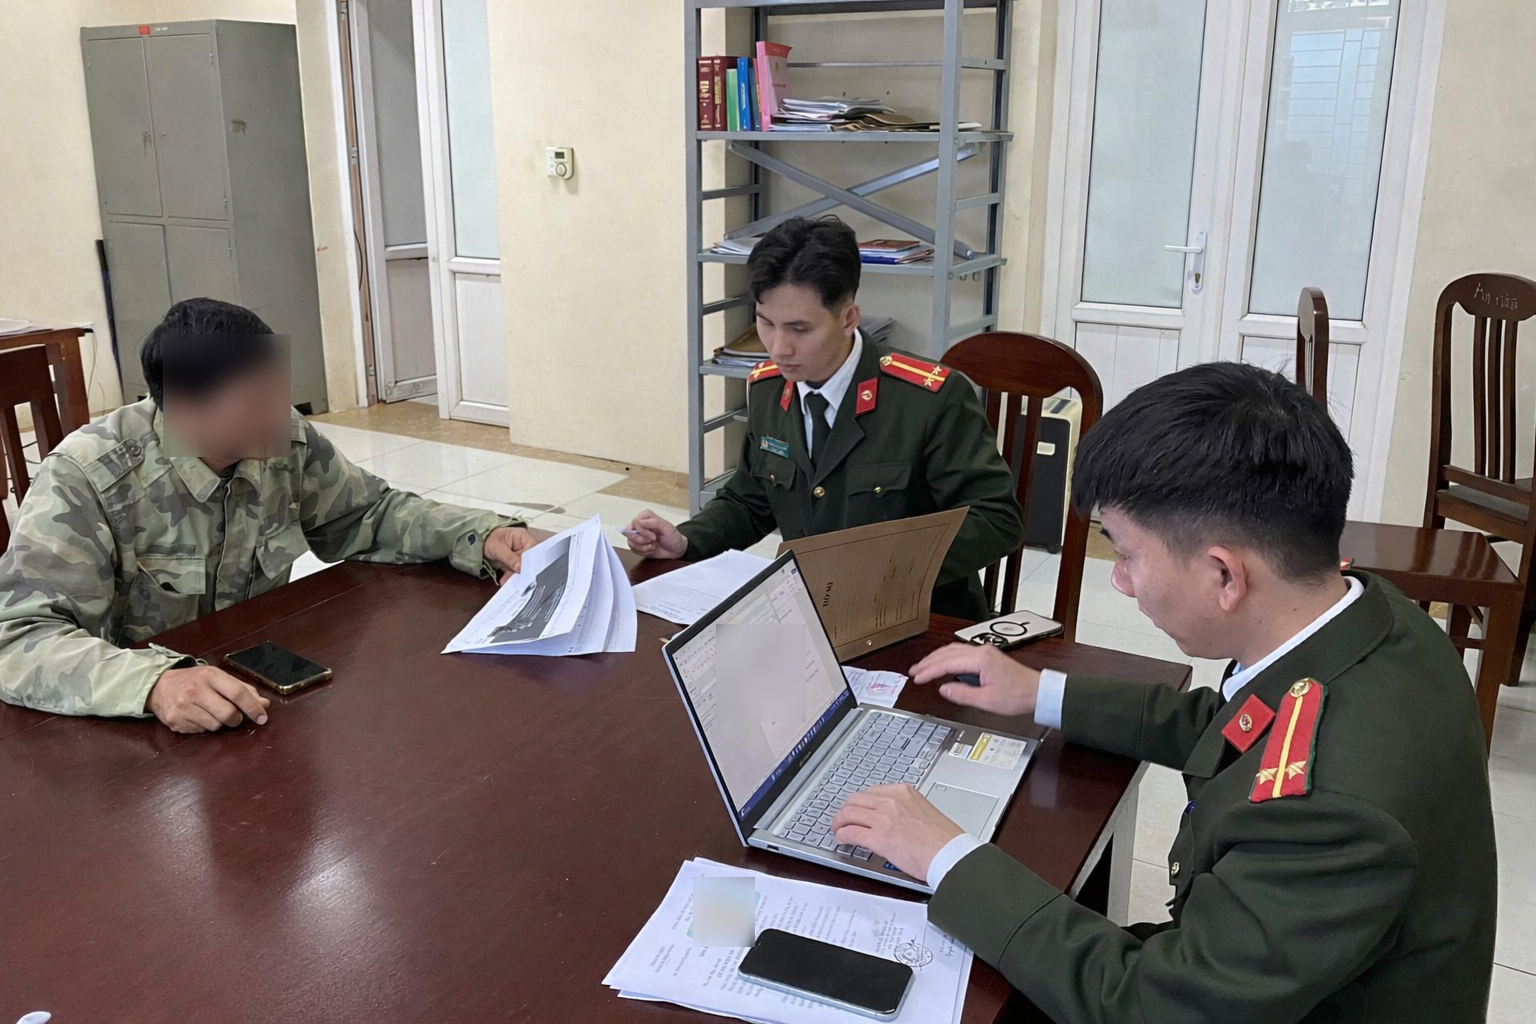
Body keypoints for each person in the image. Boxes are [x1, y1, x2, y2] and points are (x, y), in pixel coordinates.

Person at [830, 362, 1497, 1022]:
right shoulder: (1370, 618)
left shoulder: (1327, 814)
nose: (1119, 582)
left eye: (1125, 555)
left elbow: (1155, 1006)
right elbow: (1237, 726)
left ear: (1224, 576)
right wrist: (1040, 693)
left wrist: (947, 856)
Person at [0, 298, 537, 734]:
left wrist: (479, 534)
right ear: (185, 408)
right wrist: (152, 684)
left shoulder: (282, 439)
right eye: (257, 401)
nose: (283, 413)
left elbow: (369, 513)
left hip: (252, 703)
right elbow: (19, 639)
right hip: (126, 733)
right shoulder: (88, 479)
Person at [624, 217, 1025, 620]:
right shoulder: (768, 388)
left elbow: (996, 519)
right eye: (765, 323)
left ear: (848, 318)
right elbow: (749, 500)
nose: (779, 348)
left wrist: (883, 567)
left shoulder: (927, 399)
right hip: (812, 614)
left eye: (799, 329)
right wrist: (686, 540)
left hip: (916, 618)